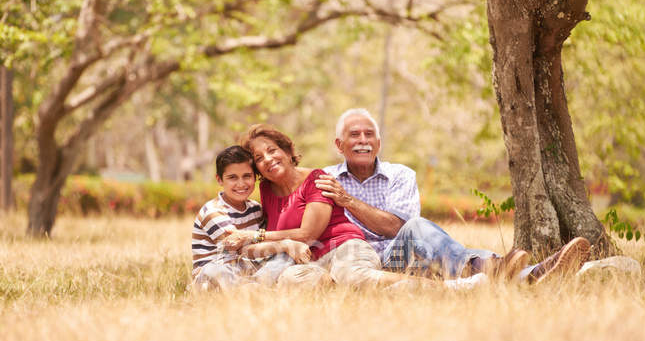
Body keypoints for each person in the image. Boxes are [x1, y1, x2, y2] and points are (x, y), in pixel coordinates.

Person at [315, 108, 590, 281]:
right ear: (340, 145)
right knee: (453, 256)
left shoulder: (400, 175)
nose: (363, 140)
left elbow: (396, 228)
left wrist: (348, 200)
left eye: (369, 134)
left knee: (434, 243)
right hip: (365, 265)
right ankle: (513, 269)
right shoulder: (324, 179)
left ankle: (535, 274)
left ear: (378, 142)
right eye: (354, 135)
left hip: (405, 258)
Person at [223, 124, 436, 289]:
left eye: (272, 150)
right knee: (290, 281)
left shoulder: (317, 179)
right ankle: (342, 288)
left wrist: (254, 236)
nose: (268, 159)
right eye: (259, 158)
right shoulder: (267, 189)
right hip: (310, 262)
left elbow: (307, 234)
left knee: (353, 275)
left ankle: (438, 287)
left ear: (288, 151)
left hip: (344, 248)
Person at [191, 145, 312, 291]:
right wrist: (285, 244)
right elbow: (242, 249)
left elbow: (264, 243)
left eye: (247, 176)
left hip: (250, 272)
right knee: (214, 271)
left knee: (285, 257)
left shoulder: (255, 208)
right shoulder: (213, 211)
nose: (241, 184)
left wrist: (285, 248)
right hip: (220, 272)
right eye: (232, 178)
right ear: (220, 180)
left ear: (255, 177)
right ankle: (255, 289)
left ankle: (255, 287)